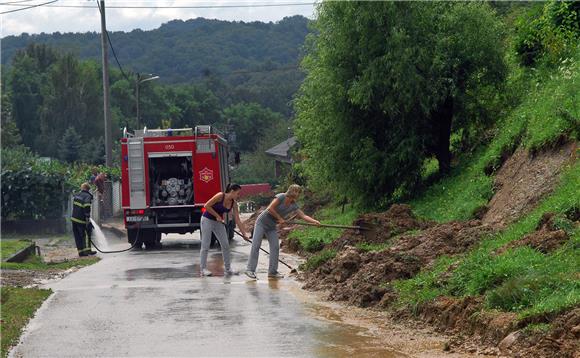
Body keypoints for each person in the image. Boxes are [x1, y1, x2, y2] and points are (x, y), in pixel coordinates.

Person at [245, 184, 320, 279]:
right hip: (262, 222)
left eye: (298, 193)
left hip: (271, 226)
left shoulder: (293, 205)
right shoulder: (281, 196)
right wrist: (280, 218)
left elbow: (303, 216)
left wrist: (314, 221)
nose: (297, 194)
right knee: (256, 245)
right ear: (291, 191)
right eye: (296, 192)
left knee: (275, 247)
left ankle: (272, 272)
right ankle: (250, 270)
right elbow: (270, 209)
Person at [200, 183, 249, 277]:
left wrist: (244, 234)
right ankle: (203, 269)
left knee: (225, 244)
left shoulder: (234, 204)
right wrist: (217, 216)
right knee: (205, 245)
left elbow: (238, 220)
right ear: (232, 191)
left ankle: (228, 268)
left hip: (218, 222)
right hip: (207, 220)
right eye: (238, 193)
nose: (239, 196)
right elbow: (206, 206)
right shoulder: (220, 196)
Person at [71, 183, 97, 257]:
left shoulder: (77, 195)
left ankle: (81, 252)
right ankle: (87, 251)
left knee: (77, 236)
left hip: (74, 219)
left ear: (82, 188)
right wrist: (87, 218)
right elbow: (87, 207)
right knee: (85, 235)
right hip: (81, 219)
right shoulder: (87, 196)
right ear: (88, 189)